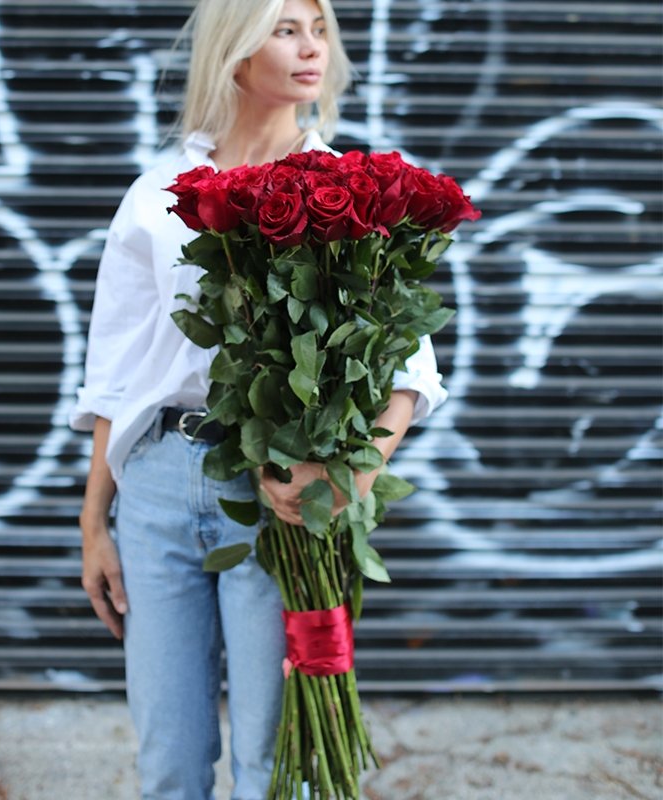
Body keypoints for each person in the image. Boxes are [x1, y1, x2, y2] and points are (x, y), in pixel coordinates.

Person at [69, 1, 448, 798]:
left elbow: (411, 370)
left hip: (281, 490)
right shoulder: (156, 196)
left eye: (319, 31)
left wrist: (354, 476)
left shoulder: (357, 194)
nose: (312, 49)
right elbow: (116, 372)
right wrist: (93, 521)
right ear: (235, 53)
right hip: (159, 484)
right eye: (287, 29)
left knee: (275, 761)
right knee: (168, 757)